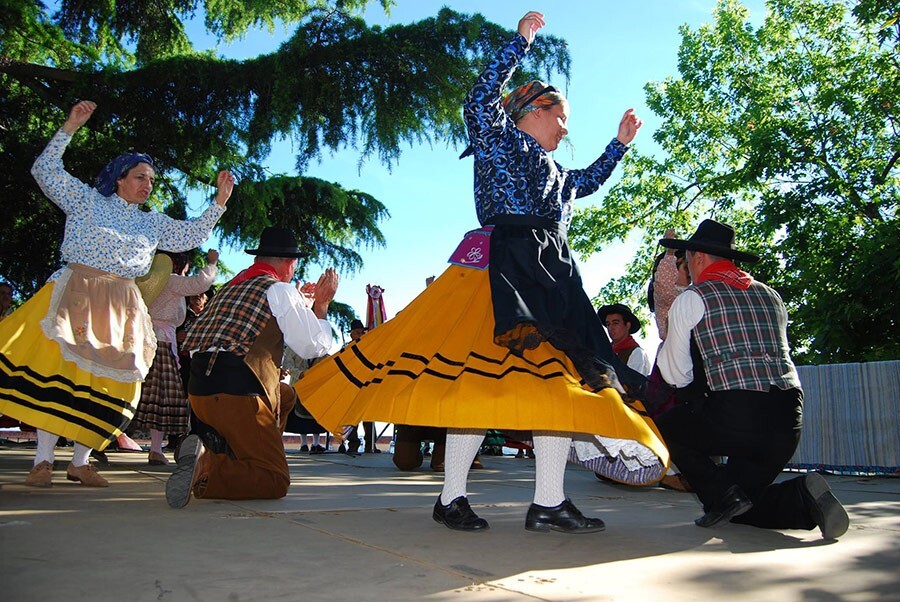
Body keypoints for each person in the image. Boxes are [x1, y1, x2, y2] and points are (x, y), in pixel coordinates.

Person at [296, 11, 667, 534]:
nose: (565, 128)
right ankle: (451, 497)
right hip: (499, 270)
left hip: (552, 273)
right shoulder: (499, 139)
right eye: (560, 117)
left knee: (556, 382)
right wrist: (520, 42)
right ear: (531, 112)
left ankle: (549, 501)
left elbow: (586, 181)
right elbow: (478, 98)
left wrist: (620, 144)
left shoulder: (557, 173)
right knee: (473, 379)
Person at [0, 100, 232, 488]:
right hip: (78, 291)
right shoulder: (86, 200)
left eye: (151, 180)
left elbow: (190, 234)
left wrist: (219, 202)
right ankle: (43, 461)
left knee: (104, 382)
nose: (147, 185)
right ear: (119, 178)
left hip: (123, 305)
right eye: (140, 177)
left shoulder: (152, 222)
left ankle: (80, 461)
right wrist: (70, 127)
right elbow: (45, 171)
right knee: (61, 371)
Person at [655, 219, 849, 538]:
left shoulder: (692, 297)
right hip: (788, 420)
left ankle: (722, 494)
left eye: (687, 261)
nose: (687, 268)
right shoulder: (772, 295)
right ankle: (804, 498)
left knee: (665, 427)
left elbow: (675, 375)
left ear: (698, 258)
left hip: (738, 414)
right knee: (741, 504)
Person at [166, 227, 339, 508]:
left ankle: (237, 452)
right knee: (274, 480)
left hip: (199, 395)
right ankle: (208, 465)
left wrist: (301, 304)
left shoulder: (230, 288)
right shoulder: (279, 290)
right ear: (290, 264)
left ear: (259, 258)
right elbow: (312, 347)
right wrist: (321, 306)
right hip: (238, 395)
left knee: (286, 395)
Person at [131, 249, 218, 465]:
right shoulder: (171, 281)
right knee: (162, 395)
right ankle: (155, 449)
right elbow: (200, 283)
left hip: (144, 337)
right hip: (161, 341)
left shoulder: (147, 280)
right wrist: (212, 263)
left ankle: (144, 446)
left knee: (142, 392)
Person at [597, 304, 652, 377]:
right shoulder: (604, 352)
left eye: (615, 323)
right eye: (608, 324)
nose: (610, 328)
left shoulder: (637, 353)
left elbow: (634, 382)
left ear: (627, 325)